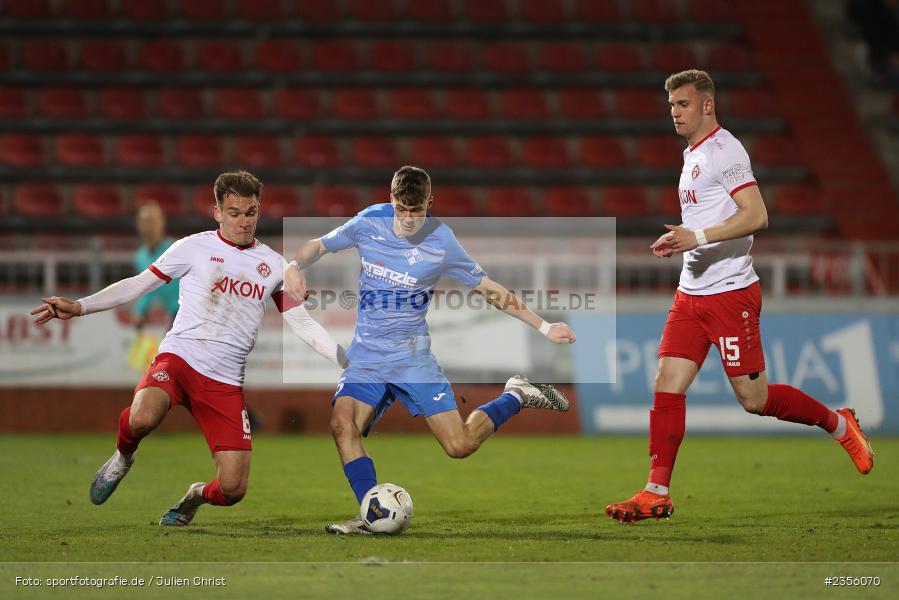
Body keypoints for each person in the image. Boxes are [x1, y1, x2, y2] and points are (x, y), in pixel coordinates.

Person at [604, 70, 874, 524]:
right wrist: (681, 241)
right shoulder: (692, 154)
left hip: (730, 294)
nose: (675, 113)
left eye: (683, 105)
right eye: (671, 106)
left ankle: (840, 424)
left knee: (754, 398)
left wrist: (699, 237)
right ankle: (656, 492)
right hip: (691, 293)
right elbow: (705, 221)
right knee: (666, 384)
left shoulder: (726, 151)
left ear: (707, 105)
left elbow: (757, 215)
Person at [31, 171, 346, 526]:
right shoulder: (193, 247)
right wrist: (81, 306)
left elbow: (301, 322)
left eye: (251, 212)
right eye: (234, 212)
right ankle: (122, 457)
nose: (244, 221)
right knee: (144, 416)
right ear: (217, 212)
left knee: (233, 489)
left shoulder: (272, 265)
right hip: (180, 358)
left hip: (224, 382)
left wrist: (343, 360)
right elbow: (140, 284)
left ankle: (195, 495)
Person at [283, 165, 576, 535]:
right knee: (343, 425)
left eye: (416, 211)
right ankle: (369, 512)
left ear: (429, 204)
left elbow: (490, 289)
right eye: (401, 209)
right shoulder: (368, 221)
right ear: (390, 199)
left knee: (460, 445)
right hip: (368, 358)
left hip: (412, 359)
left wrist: (545, 326)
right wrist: (293, 265)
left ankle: (515, 395)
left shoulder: (441, 241)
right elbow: (319, 245)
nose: (407, 219)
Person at [127, 202, 180, 371]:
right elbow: (147, 288)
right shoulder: (140, 256)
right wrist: (140, 311)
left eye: (152, 221)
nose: (148, 227)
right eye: (145, 222)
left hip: (191, 315)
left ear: (162, 223)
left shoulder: (176, 250)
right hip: (174, 317)